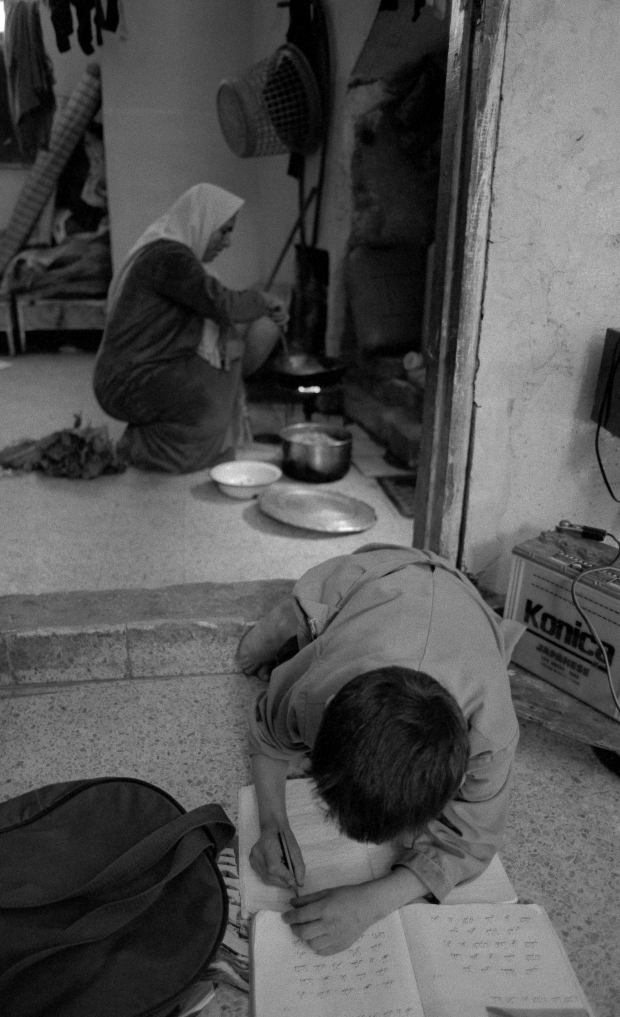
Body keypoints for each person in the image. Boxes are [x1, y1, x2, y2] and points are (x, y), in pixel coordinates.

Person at [238, 543, 525, 956]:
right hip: (374, 576)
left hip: (463, 605)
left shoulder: (491, 736)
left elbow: (474, 841)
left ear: (460, 774)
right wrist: (272, 823)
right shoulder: (317, 689)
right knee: (273, 640)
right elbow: (269, 732)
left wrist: (372, 902)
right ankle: (288, 616)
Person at [93, 183, 288, 473]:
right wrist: (265, 301)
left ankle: (147, 442)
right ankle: (150, 453)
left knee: (223, 372)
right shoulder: (168, 257)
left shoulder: (172, 253)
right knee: (208, 401)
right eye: (224, 231)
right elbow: (221, 302)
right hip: (126, 380)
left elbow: (214, 301)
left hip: (145, 370)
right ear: (201, 221)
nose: (228, 242)